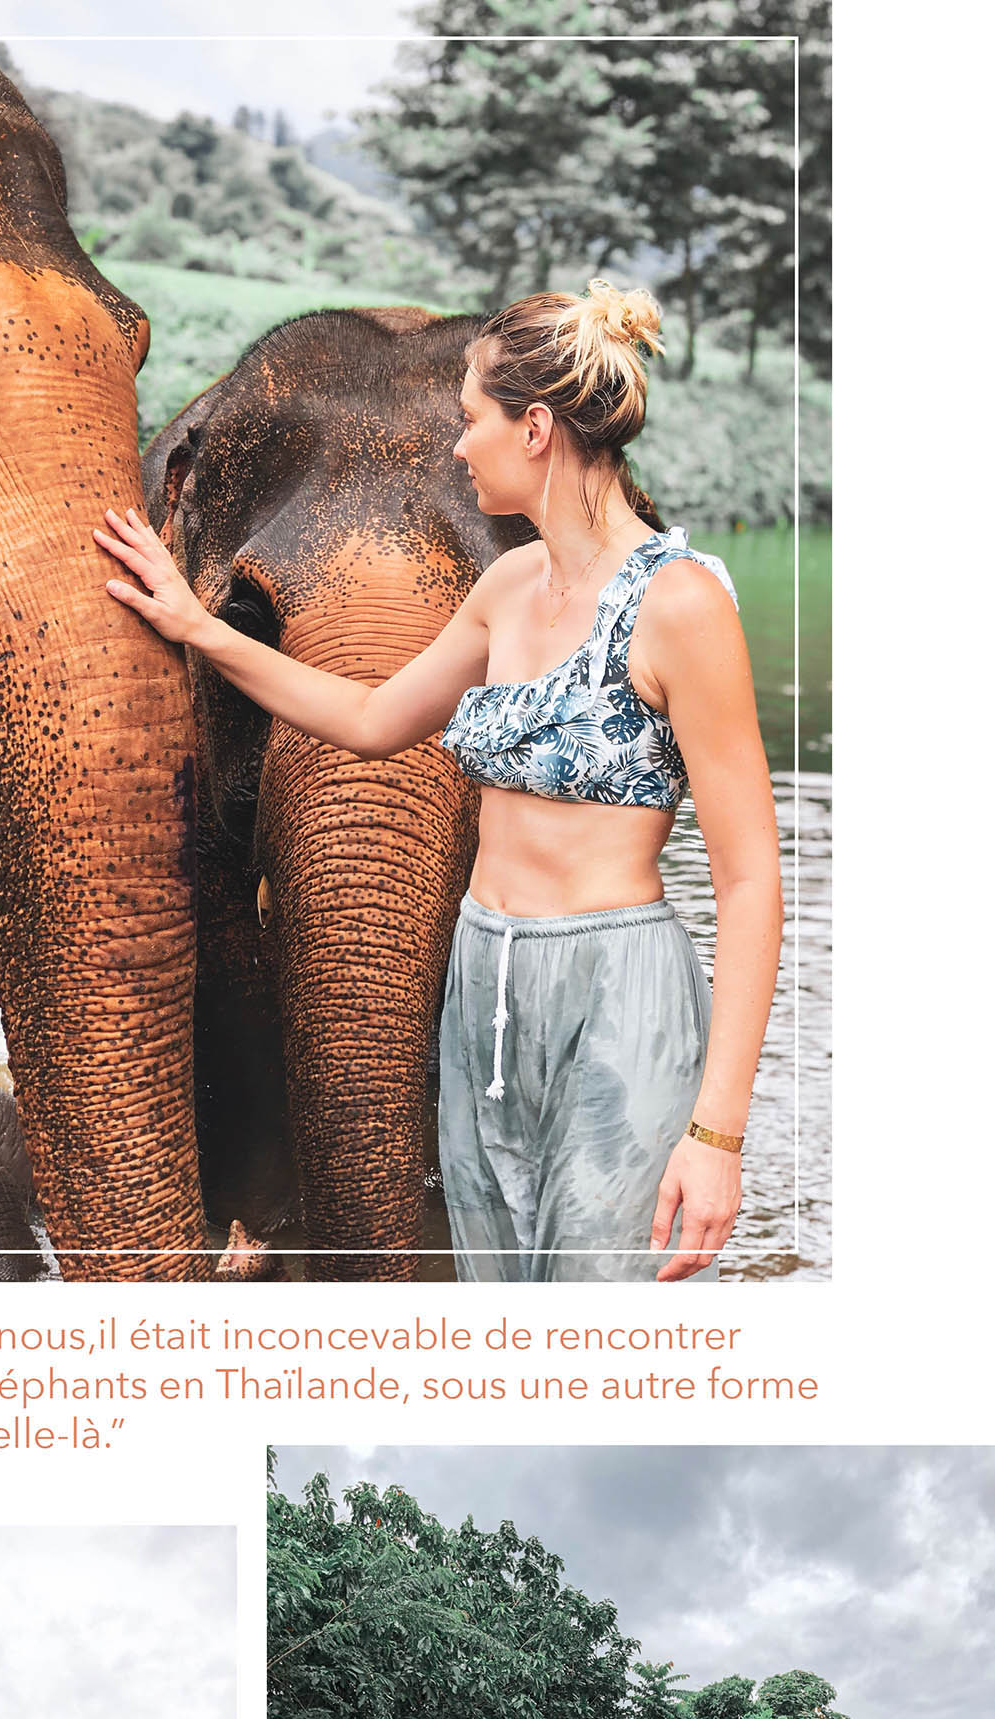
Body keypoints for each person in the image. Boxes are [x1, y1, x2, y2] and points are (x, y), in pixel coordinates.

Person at [96, 280, 781, 1286]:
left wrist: (716, 1139)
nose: (458, 449)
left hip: (613, 990)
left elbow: (749, 879)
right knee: (493, 1311)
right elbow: (371, 719)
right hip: (484, 985)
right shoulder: (506, 586)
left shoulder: (680, 604)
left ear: (535, 428)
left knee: (596, 1326)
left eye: (471, 422)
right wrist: (199, 627)